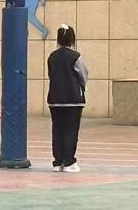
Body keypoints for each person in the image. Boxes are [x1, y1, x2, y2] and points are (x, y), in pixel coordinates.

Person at [47, 24, 89, 173]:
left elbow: (51, 74)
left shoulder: (52, 56)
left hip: (55, 99)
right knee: (71, 130)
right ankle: (69, 161)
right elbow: (83, 75)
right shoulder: (76, 57)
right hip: (73, 100)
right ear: (72, 39)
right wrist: (80, 88)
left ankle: (58, 162)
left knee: (57, 130)